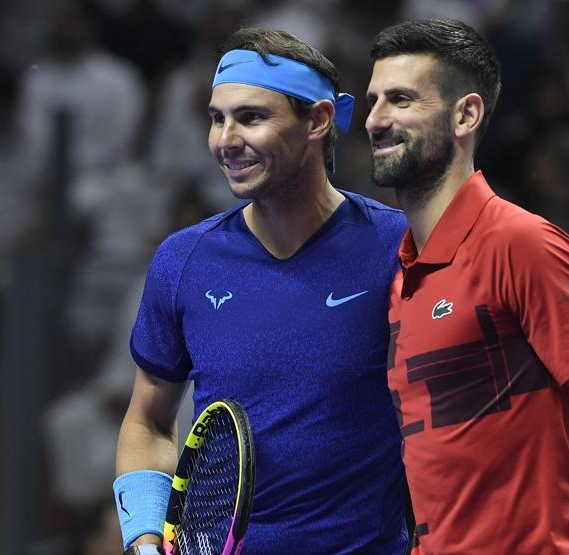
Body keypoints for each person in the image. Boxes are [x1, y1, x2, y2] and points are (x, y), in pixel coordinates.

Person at [365, 19, 569, 555]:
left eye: (401, 100)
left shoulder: (521, 244)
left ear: (466, 114)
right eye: (375, 100)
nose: (376, 119)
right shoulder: (400, 278)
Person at [113, 28, 409, 554]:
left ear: (318, 121)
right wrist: (142, 539)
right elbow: (148, 421)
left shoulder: (397, 248)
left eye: (251, 117)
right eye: (216, 118)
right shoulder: (183, 260)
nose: (225, 139)